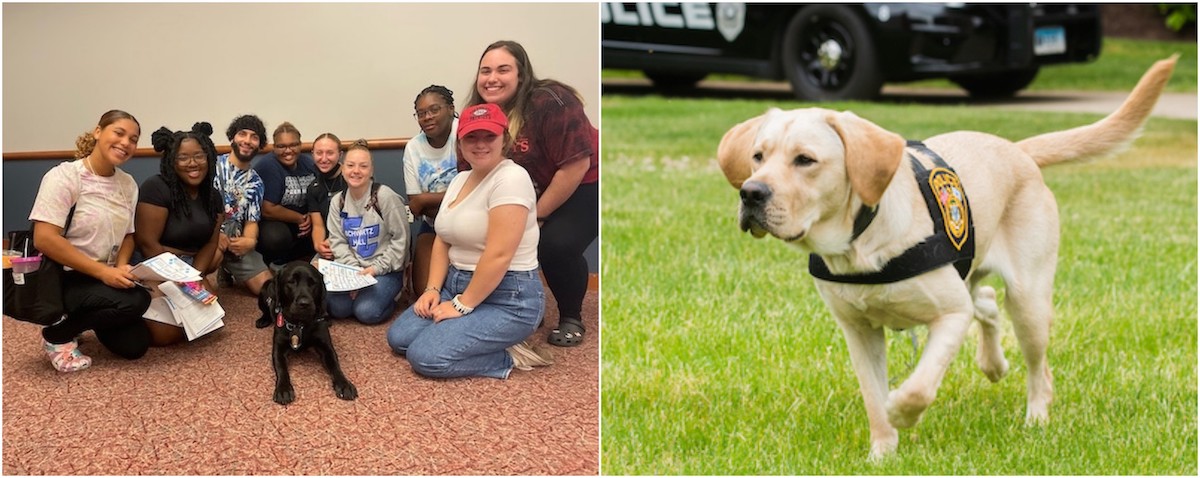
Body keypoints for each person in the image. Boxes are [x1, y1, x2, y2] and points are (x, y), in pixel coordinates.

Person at [387, 103, 553, 379]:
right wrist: (432, 290)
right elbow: (443, 239)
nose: (480, 145)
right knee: (400, 338)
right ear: (460, 142)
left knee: (426, 358)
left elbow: (499, 254)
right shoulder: (459, 180)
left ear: (505, 139)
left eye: (489, 136)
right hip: (455, 283)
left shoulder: (512, 178)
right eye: (471, 137)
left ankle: (512, 354)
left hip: (508, 297)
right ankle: (469, 334)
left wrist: (462, 305)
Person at [463, 40, 599, 348]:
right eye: (485, 71)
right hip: (525, 194)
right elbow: (470, 170)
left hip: (582, 183)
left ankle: (570, 317)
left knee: (554, 245)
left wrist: (534, 216)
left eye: (503, 69)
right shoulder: (478, 113)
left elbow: (575, 166)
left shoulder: (553, 101)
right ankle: (521, 306)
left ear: (521, 75)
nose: (492, 78)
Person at [29, 110, 150, 372]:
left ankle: (80, 319)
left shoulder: (127, 184)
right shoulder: (64, 177)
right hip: (66, 276)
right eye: (119, 133)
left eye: (133, 139)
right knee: (137, 301)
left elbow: (129, 235)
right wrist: (104, 273)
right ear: (98, 132)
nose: (125, 143)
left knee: (135, 346)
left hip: (103, 276)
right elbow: (44, 238)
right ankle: (57, 334)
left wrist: (121, 266)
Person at [135, 122, 225, 345]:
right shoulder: (156, 187)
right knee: (166, 335)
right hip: (152, 266)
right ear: (171, 161)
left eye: (199, 156)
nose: (192, 163)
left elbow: (210, 244)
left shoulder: (213, 196)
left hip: (187, 267)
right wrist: (176, 280)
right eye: (183, 158)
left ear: (209, 157)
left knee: (209, 319)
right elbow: (147, 243)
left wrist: (195, 279)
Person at [325, 139, 410, 325]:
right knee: (337, 308)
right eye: (350, 165)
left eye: (363, 166)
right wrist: (354, 272)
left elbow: (401, 241)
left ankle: (393, 297)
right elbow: (337, 241)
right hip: (353, 271)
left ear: (371, 170)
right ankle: (362, 294)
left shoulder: (385, 196)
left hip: (384, 270)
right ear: (342, 168)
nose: (356, 171)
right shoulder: (337, 202)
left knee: (366, 312)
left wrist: (376, 269)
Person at [403, 85, 460, 297]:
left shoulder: (466, 133)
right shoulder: (413, 148)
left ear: (450, 109)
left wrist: (426, 198)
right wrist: (450, 200)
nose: (427, 117)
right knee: (424, 292)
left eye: (434, 110)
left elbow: (477, 192)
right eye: (421, 113)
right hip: (433, 224)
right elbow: (415, 205)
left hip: (474, 224)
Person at [213, 114, 272, 295]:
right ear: (233, 137)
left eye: (254, 137)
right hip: (207, 234)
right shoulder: (211, 165)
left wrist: (249, 241)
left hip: (234, 239)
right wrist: (215, 235)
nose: (247, 141)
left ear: (259, 144)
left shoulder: (256, 182)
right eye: (242, 134)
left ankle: (229, 266)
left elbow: (251, 221)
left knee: (267, 289)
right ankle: (217, 265)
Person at [254, 122, 317, 266]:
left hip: (302, 223)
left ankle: (291, 260)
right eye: (281, 146)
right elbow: (268, 209)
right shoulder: (268, 166)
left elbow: (318, 195)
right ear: (274, 147)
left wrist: (311, 217)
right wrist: (300, 218)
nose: (288, 150)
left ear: (300, 145)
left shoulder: (308, 164)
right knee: (276, 238)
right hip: (272, 223)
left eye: (293, 145)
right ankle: (268, 262)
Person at [305, 132, 346, 260]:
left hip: (355, 243)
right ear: (312, 154)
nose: (324, 159)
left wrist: (337, 243)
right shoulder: (313, 188)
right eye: (319, 153)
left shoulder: (352, 179)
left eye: (330, 153)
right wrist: (319, 246)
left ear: (340, 155)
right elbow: (318, 225)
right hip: (328, 246)